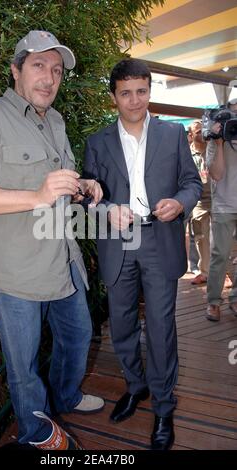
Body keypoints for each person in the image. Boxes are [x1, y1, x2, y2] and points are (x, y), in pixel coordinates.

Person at [0, 30, 104, 450]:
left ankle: (67, 398)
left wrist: (84, 187)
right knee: (23, 367)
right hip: (18, 270)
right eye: (39, 66)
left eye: (56, 70)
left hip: (63, 258)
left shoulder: (54, 121)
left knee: (77, 337)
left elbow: (57, 186)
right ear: (16, 69)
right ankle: (37, 433)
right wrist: (37, 195)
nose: (49, 78)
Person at [83, 58, 202, 450]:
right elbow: (87, 199)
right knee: (120, 325)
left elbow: (191, 182)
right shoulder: (97, 142)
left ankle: (164, 406)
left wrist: (180, 203)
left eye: (141, 91)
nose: (134, 101)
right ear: (113, 96)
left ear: (149, 91)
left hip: (159, 238)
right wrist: (104, 211)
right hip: (118, 244)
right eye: (125, 93)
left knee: (162, 328)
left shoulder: (172, 135)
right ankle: (136, 387)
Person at [206, 98, 237, 321]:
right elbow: (216, 174)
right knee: (220, 255)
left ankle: (235, 299)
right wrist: (218, 142)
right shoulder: (216, 139)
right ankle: (213, 302)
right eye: (232, 114)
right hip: (224, 204)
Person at [189, 120, 210, 285]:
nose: (201, 133)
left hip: (219, 198)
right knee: (200, 237)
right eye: (197, 131)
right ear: (191, 135)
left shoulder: (215, 147)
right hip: (198, 201)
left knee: (219, 238)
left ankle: (217, 269)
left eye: (203, 129)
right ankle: (204, 272)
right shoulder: (187, 154)